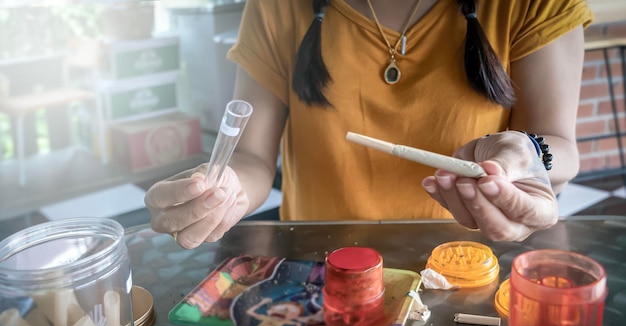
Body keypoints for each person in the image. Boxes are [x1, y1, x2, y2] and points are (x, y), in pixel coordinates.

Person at [145, 0, 593, 249]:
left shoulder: (537, 4)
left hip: (467, 267)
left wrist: (532, 154)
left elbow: (560, 148)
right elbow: (251, 156)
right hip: (320, 267)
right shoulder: (277, 6)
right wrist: (225, 188)